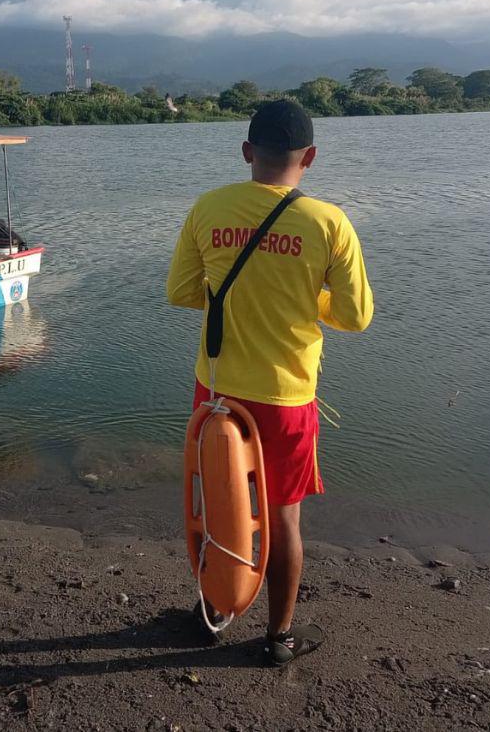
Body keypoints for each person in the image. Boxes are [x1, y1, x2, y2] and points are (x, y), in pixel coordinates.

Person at [166, 99, 374, 666]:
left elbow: (181, 292)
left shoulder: (208, 208)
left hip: (217, 391)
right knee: (282, 519)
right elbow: (355, 316)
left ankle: (213, 609)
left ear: (246, 152)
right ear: (310, 157)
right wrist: (307, 300)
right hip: (286, 400)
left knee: (218, 503)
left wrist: (236, 295)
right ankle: (279, 637)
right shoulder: (328, 222)